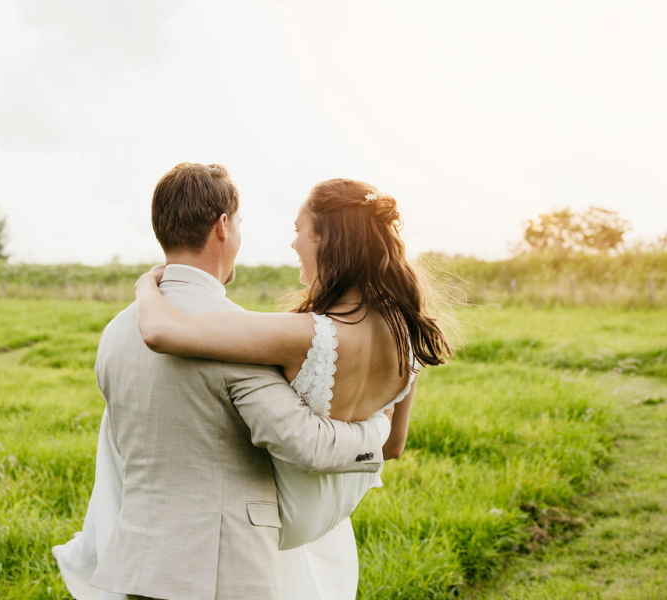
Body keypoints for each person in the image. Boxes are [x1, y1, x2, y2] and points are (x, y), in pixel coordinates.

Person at [52, 163, 393, 600]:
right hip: (226, 573)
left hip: (136, 566)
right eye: (240, 224)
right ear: (223, 226)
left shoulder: (115, 334)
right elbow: (303, 443)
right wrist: (377, 429)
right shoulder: (238, 336)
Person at [133, 177, 453, 599]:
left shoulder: (302, 335)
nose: (293, 243)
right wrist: (369, 430)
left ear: (327, 241)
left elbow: (158, 332)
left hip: (272, 525)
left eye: (298, 231)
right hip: (330, 524)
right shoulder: (408, 336)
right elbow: (392, 446)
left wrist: (145, 285)